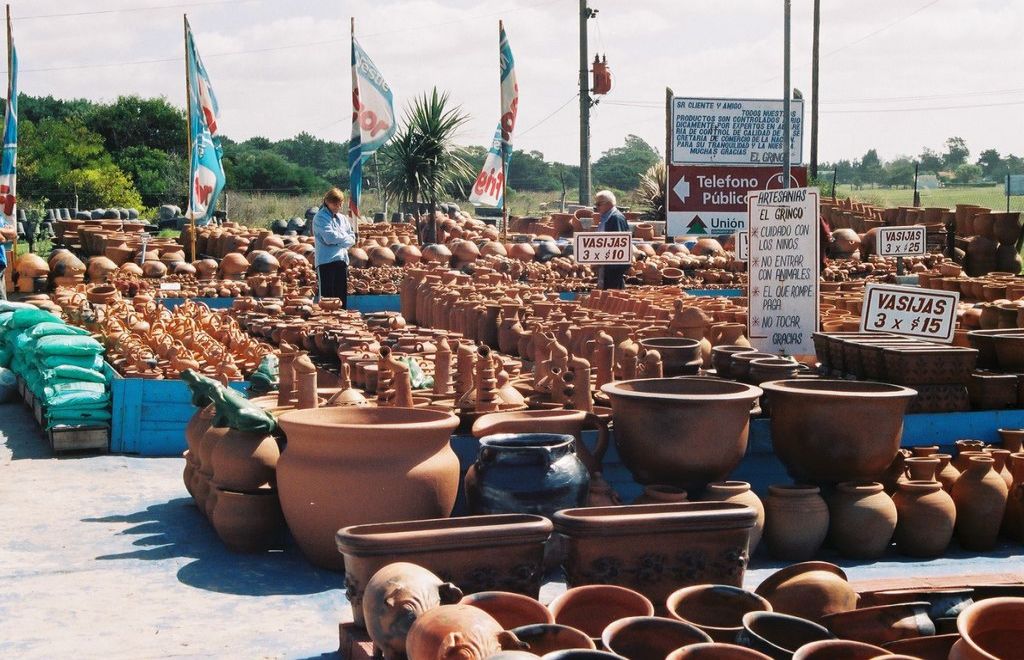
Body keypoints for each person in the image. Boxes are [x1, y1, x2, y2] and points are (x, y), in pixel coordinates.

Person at [313, 187, 356, 308]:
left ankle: (341, 323)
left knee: (340, 299)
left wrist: (340, 240)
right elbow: (329, 237)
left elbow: (352, 238)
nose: (338, 206)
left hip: (341, 261)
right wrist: (343, 240)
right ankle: (327, 324)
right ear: (327, 201)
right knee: (327, 299)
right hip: (326, 262)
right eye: (335, 204)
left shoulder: (342, 219)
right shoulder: (320, 217)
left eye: (340, 204)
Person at [593, 189, 630, 289]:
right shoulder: (606, 217)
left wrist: (612, 267)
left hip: (613, 269)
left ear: (609, 203)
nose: (596, 207)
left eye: (599, 204)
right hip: (605, 266)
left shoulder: (615, 218)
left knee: (613, 297)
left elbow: (619, 245)